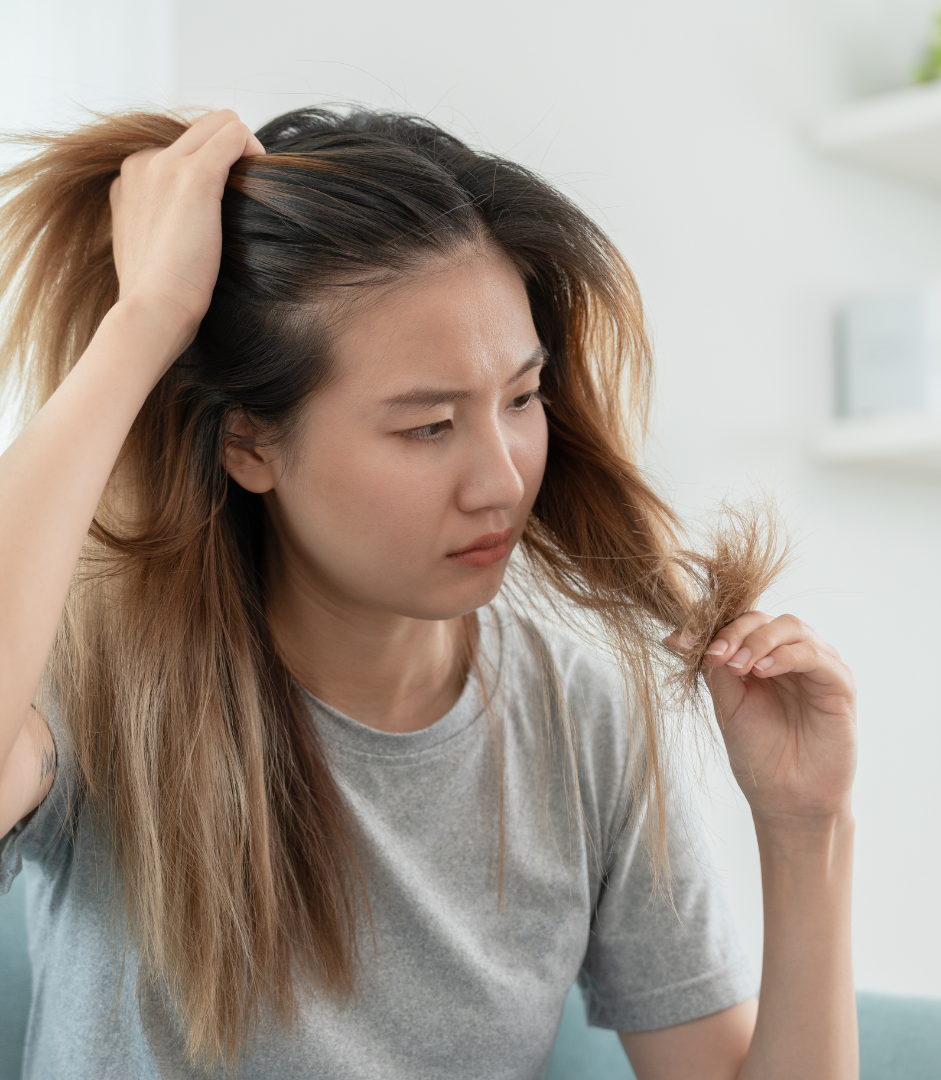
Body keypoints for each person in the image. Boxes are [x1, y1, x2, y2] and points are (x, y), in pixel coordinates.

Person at [0, 106, 858, 1080]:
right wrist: (144, 322)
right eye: (428, 427)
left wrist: (804, 828)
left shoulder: (581, 719)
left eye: (523, 400)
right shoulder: (96, 687)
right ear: (249, 443)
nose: (501, 478)